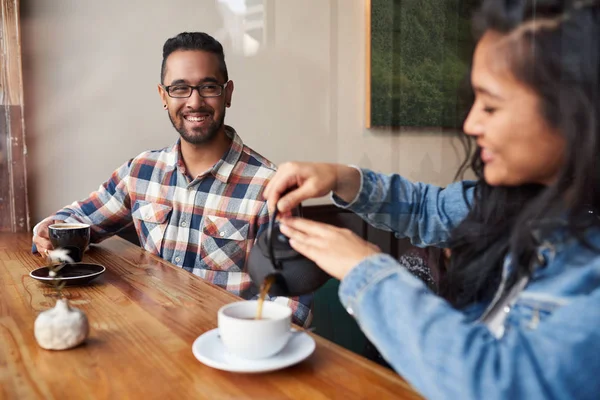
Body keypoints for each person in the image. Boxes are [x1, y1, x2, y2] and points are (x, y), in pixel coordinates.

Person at [263, 0, 600, 398]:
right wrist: (340, 177)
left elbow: (499, 382)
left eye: (491, 105)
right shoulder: (520, 202)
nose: (471, 124)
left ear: (574, 114)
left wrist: (364, 269)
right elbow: (431, 210)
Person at [32, 32, 311, 327]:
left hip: (229, 353)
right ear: (163, 96)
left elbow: (293, 303)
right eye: (180, 88)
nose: (195, 101)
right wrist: (49, 230)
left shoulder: (273, 187)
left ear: (227, 93)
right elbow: (78, 219)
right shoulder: (140, 171)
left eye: (208, 87)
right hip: (155, 346)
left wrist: (239, 342)